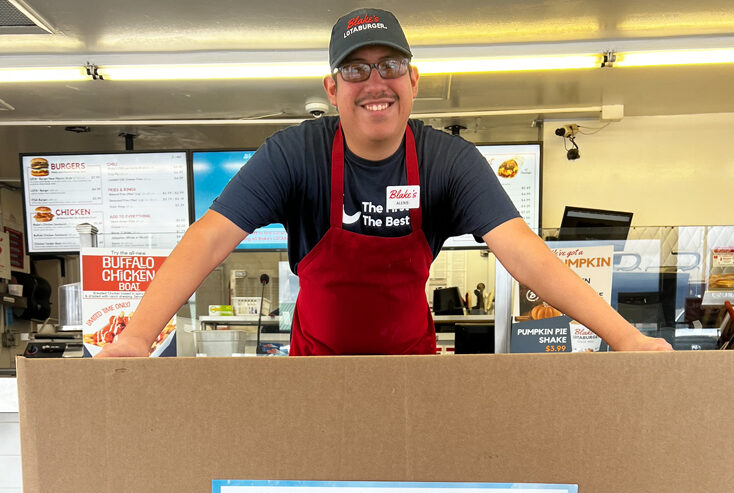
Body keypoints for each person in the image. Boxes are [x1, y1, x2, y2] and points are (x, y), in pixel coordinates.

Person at [97, 8, 672, 358]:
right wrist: (136, 338)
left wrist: (625, 338)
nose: (375, 82)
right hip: (315, 373)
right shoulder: (295, 154)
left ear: (413, 79)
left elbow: (528, 257)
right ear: (332, 89)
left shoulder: (449, 161)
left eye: (390, 66)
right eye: (355, 69)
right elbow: (207, 240)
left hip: (409, 374)